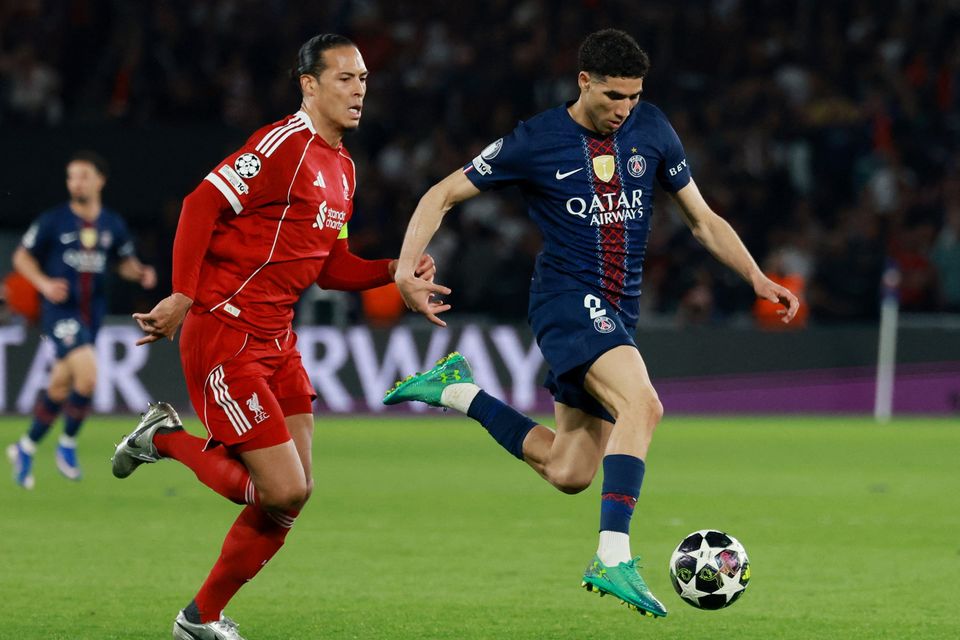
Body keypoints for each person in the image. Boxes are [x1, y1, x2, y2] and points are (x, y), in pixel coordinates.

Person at [384, 29, 800, 619]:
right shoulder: (536, 140)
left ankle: (456, 389)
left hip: (618, 312)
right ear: (583, 82)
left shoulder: (652, 128)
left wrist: (755, 276)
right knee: (644, 405)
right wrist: (406, 270)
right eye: (613, 96)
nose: (624, 109)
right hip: (565, 299)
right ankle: (612, 555)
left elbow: (703, 219)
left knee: (569, 471)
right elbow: (441, 194)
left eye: (633, 96)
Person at [110, 34, 435, 640]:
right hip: (224, 330)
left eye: (364, 79)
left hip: (277, 341)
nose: (359, 90)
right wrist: (182, 294)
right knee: (279, 489)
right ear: (309, 84)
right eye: (345, 78)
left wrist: (396, 270)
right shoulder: (282, 145)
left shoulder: (344, 168)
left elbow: (331, 268)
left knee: (294, 494)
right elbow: (199, 205)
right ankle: (165, 438)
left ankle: (199, 619)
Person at [5, 151, 156, 489]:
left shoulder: (112, 224)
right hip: (60, 313)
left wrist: (139, 273)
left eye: (84, 176)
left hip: (92, 316)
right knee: (87, 377)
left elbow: (122, 262)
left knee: (60, 385)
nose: (76, 182)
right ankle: (67, 445)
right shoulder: (53, 220)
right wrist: (44, 283)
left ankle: (25, 448)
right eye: (71, 176)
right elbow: (21, 256)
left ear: (100, 180)